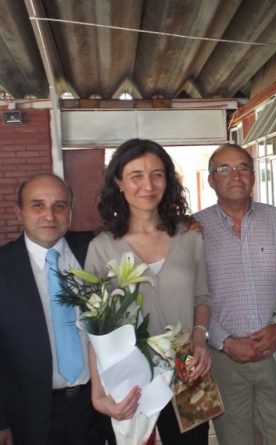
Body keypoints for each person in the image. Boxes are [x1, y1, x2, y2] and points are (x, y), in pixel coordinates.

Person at [85, 138, 211, 445]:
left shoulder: (189, 237)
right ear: (119, 182)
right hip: (130, 378)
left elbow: (202, 297)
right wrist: (98, 391)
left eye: (157, 174)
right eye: (136, 176)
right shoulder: (102, 247)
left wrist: (199, 340)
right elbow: (94, 327)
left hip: (188, 371)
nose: (148, 185)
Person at [0, 174, 116, 445]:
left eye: (59, 205)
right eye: (37, 205)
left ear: (70, 212)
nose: (50, 215)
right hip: (29, 413)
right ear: (19, 212)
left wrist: (184, 224)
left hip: (94, 406)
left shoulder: (94, 249)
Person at [193, 144, 276, 445]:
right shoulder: (194, 230)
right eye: (224, 169)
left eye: (243, 167)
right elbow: (189, 297)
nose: (235, 175)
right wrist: (224, 341)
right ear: (211, 180)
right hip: (222, 360)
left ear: (253, 176)